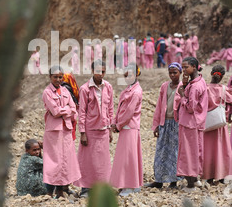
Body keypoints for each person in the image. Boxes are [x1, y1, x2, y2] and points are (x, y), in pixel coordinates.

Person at [75, 60, 114, 197]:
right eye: (98, 71)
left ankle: (102, 187)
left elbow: (110, 108)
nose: (100, 74)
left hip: (103, 129)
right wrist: (82, 133)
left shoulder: (108, 87)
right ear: (92, 71)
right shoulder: (85, 89)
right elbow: (82, 112)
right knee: (87, 159)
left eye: (103, 71)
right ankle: (86, 188)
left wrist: (109, 128)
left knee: (102, 161)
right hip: (90, 129)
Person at [42, 65, 81, 198]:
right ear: (50, 77)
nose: (58, 79)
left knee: (66, 159)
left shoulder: (65, 90)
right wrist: (67, 110)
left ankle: (61, 189)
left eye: (60, 77)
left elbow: (74, 110)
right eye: (55, 77)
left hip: (66, 129)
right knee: (53, 159)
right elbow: (55, 111)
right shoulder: (47, 92)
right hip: (54, 130)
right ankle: (49, 191)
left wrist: (65, 110)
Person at [146, 63, 183, 189]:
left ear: (180, 73)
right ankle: (159, 180)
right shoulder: (164, 86)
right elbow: (159, 106)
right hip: (164, 123)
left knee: (174, 152)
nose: (172, 75)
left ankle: (174, 181)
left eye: (175, 72)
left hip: (177, 123)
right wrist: (156, 125)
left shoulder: (183, 87)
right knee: (161, 152)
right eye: (170, 73)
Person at [174, 57, 208, 190]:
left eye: (186, 67)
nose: (184, 70)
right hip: (196, 122)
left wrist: (182, 94)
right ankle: (195, 179)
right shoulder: (199, 81)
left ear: (194, 67)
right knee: (195, 151)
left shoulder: (195, 87)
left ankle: (190, 184)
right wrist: (185, 84)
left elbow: (190, 107)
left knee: (188, 153)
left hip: (190, 123)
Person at [109, 63, 143, 196]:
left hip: (129, 126)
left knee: (127, 157)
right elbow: (120, 109)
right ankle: (133, 183)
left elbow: (129, 112)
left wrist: (118, 125)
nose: (127, 77)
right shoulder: (129, 89)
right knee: (130, 156)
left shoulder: (135, 92)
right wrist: (115, 122)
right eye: (125, 75)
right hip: (127, 127)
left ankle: (129, 185)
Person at [202, 65, 232, 184]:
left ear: (211, 74)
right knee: (221, 149)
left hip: (207, 124)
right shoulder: (224, 89)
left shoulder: (205, 88)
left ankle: (208, 175)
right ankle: (221, 175)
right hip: (220, 124)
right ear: (222, 76)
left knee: (208, 150)